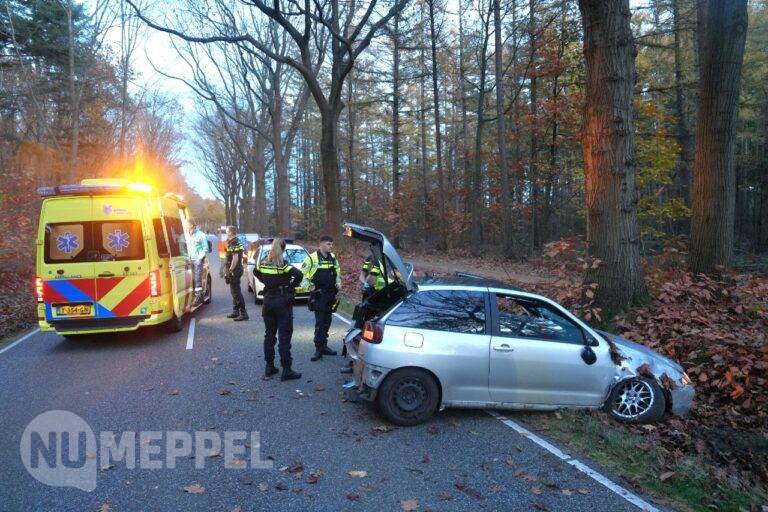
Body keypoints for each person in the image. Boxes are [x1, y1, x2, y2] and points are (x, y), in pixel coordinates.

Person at [254, 237, 303, 381]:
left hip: (268, 301)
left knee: (269, 336)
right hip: (282, 302)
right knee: (284, 337)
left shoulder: (264, 263)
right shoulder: (283, 265)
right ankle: (286, 370)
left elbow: (256, 273)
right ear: (283, 249)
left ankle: (269, 367)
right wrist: (290, 286)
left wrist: (267, 283)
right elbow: (299, 275)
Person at [301, 235, 341, 362]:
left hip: (331, 295)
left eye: (331, 244)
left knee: (327, 322)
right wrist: (309, 287)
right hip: (319, 296)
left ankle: (324, 346)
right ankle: (318, 348)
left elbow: (338, 272)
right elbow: (301, 276)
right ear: (321, 244)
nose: (331, 246)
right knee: (320, 323)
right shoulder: (312, 258)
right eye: (329, 244)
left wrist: (338, 283)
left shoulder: (333, 258)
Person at [224, 225, 248, 321]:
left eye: (227, 230)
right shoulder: (234, 241)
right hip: (236, 269)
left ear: (230, 232)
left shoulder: (234, 242)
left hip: (235, 270)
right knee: (234, 291)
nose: (225, 231)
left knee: (236, 292)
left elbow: (235, 258)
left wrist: (230, 270)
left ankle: (244, 313)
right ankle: (235, 311)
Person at [187, 220, 209, 307]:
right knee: (190, 279)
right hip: (188, 260)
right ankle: (197, 296)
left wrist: (199, 259)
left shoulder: (201, 235)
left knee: (197, 278)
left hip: (197, 260)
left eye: (187, 224)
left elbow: (205, 248)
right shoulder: (185, 235)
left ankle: (198, 297)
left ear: (192, 225)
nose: (185, 226)